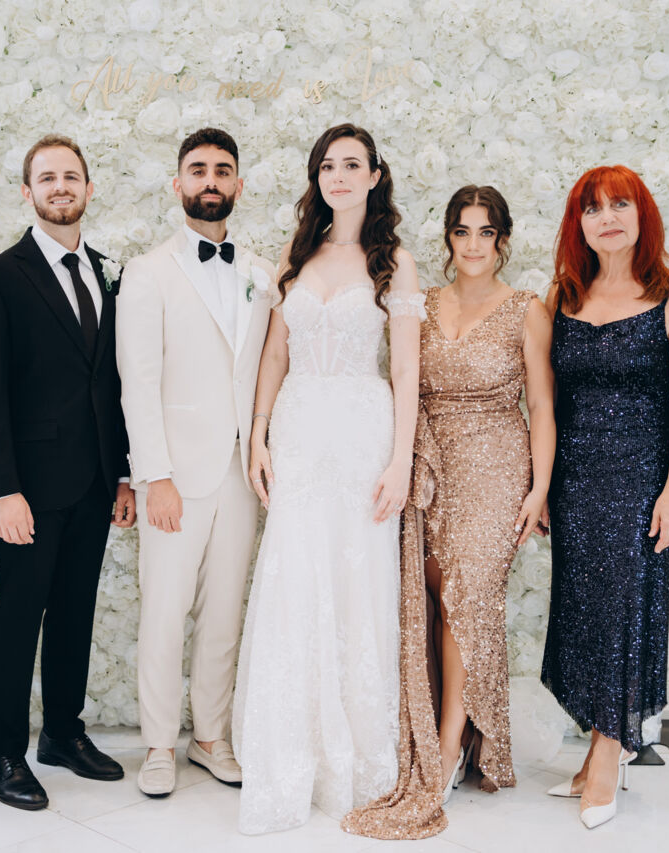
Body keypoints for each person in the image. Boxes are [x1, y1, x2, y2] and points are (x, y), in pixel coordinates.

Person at [344, 186, 556, 839]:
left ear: (502, 240)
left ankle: (444, 747)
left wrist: (539, 489)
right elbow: (401, 381)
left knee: (467, 593)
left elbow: (542, 407)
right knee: (432, 597)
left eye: (485, 232)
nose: (473, 244)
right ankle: (456, 738)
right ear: (448, 238)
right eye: (462, 231)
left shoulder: (527, 309)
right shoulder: (424, 301)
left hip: (498, 465)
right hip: (431, 461)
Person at [232, 123, 423, 834]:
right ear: (317, 179)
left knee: (356, 579)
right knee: (295, 575)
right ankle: (292, 749)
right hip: (300, 428)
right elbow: (275, 353)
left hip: (364, 433)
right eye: (327, 166)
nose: (338, 175)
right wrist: (259, 433)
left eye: (352, 164)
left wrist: (400, 459)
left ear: (374, 175)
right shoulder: (298, 254)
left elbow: (405, 368)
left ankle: (356, 756)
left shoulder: (394, 261)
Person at [0, 135, 135, 811]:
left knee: (74, 613)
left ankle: (63, 733)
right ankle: (3, 753)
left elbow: (112, 384)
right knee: (17, 618)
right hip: (27, 490)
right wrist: (2, 489)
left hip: (94, 482)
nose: (60, 186)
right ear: (27, 192)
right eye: (46, 177)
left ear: (89, 188)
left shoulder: (107, 272)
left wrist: (122, 474)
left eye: (71, 176)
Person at [540, 165, 669, 829]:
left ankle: (610, 754)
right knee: (583, 612)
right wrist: (542, 486)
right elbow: (548, 403)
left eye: (620, 205)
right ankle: (593, 751)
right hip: (575, 482)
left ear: (643, 216)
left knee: (623, 610)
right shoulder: (563, 295)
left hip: (639, 481)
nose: (607, 218)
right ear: (577, 224)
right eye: (593, 208)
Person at [116, 128, 274, 797]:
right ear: (178, 183)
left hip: (242, 472)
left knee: (224, 611)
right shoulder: (147, 272)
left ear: (238, 184)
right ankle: (158, 743)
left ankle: (210, 736)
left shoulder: (263, 273)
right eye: (199, 169)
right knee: (164, 609)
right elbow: (138, 381)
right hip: (175, 476)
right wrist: (154, 476)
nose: (211, 180)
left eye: (223, 169)